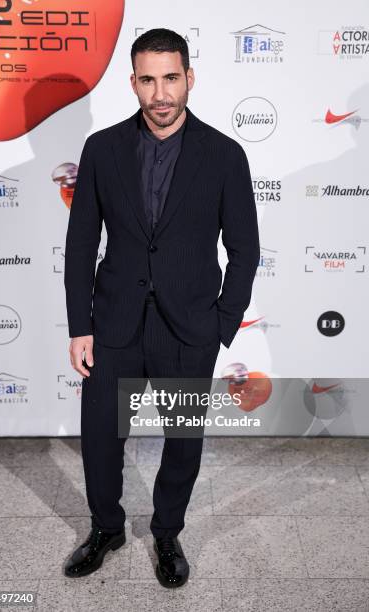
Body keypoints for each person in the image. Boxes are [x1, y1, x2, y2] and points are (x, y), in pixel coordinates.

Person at [63, 28, 260, 588]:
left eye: (170, 77)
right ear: (133, 82)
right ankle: (106, 527)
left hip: (188, 329)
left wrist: (220, 325)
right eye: (147, 80)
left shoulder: (224, 155)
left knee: (182, 441)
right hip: (115, 323)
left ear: (189, 78)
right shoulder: (102, 149)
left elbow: (244, 250)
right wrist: (82, 326)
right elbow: (82, 244)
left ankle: (167, 530)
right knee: (101, 437)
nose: (160, 93)